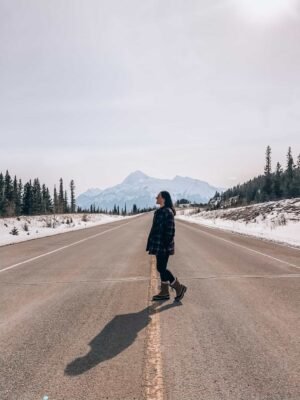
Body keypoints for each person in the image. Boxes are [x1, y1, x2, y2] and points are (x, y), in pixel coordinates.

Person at [146, 191, 187, 302]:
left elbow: (170, 231)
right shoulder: (160, 211)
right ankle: (164, 292)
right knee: (161, 268)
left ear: (163, 198)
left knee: (161, 268)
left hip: (163, 246)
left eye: (158, 196)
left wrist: (164, 244)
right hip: (159, 246)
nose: (156, 198)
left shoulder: (167, 212)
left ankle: (179, 288)